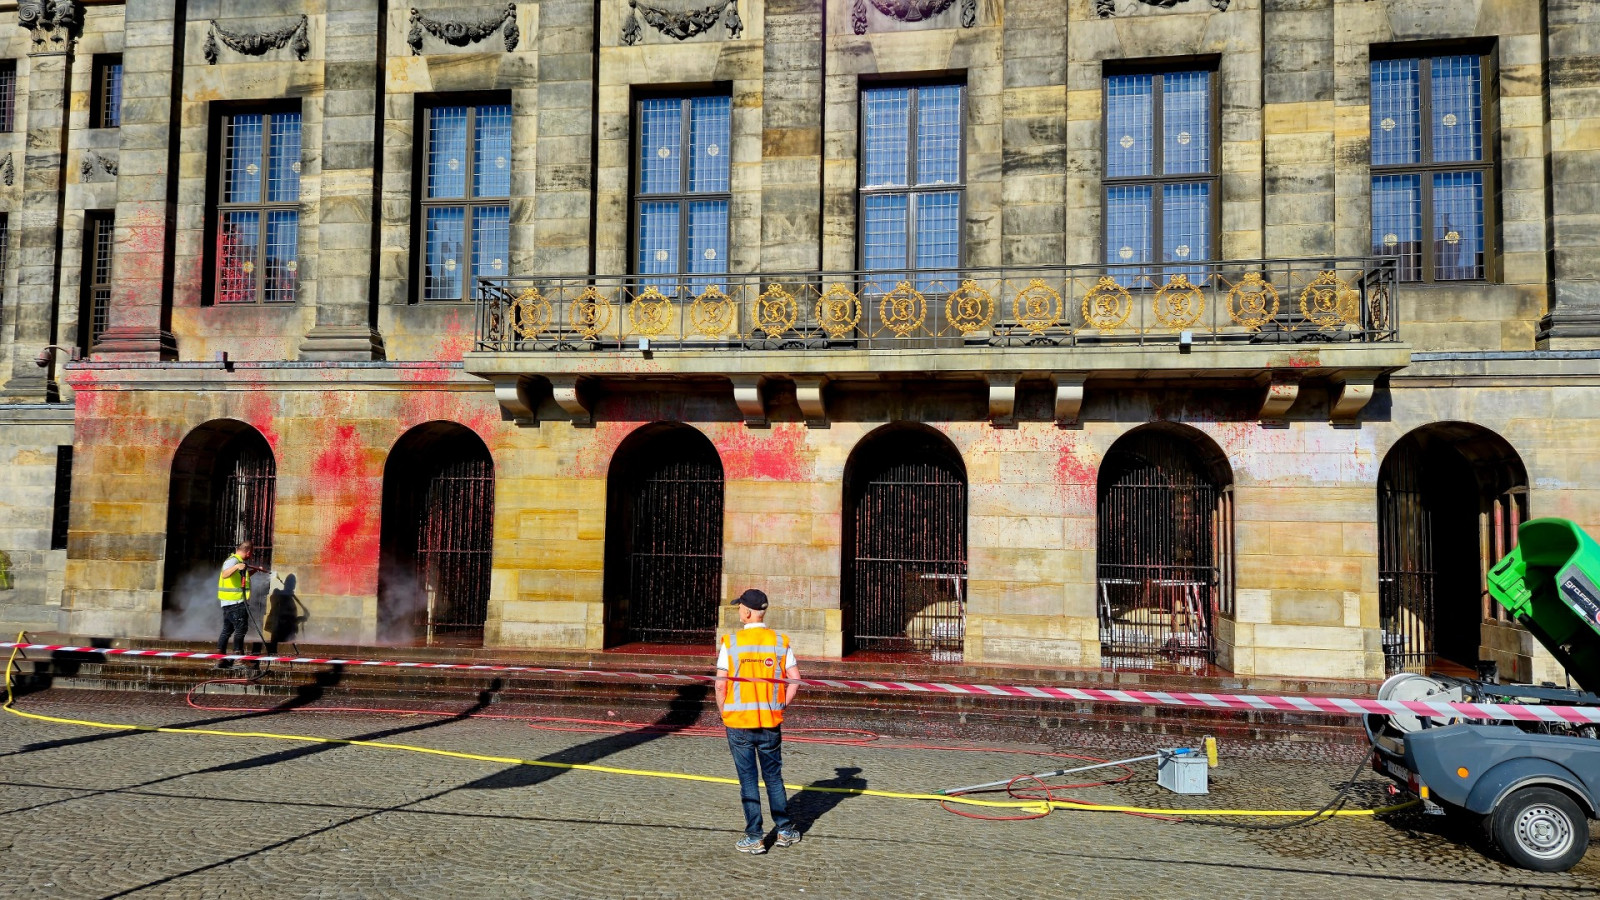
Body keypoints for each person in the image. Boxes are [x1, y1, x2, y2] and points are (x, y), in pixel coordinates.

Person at [715, 588, 801, 854]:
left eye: (739, 607)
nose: (739, 611)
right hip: (769, 722)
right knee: (774, 778)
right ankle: (785, 831)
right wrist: (779, 705)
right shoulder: (779, 641)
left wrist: (724, 713)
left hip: (738, 723)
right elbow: (794, 679)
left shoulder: (731, 643)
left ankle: (754, 837)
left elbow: (720, 685)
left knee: (748, 781)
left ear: (748, 612)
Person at [216, 540, 254, 667]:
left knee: (227, 630)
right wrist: (237, 566)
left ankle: (220, 659)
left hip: (229, 602)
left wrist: (254, 571)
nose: (251, 555)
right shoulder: (233, 561)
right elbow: (225, 574)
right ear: (248, 551)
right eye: (251, 553)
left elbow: (239, 578)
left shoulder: (237, 562)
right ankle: (239, 659)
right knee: (240, 630)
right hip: (236, 602)